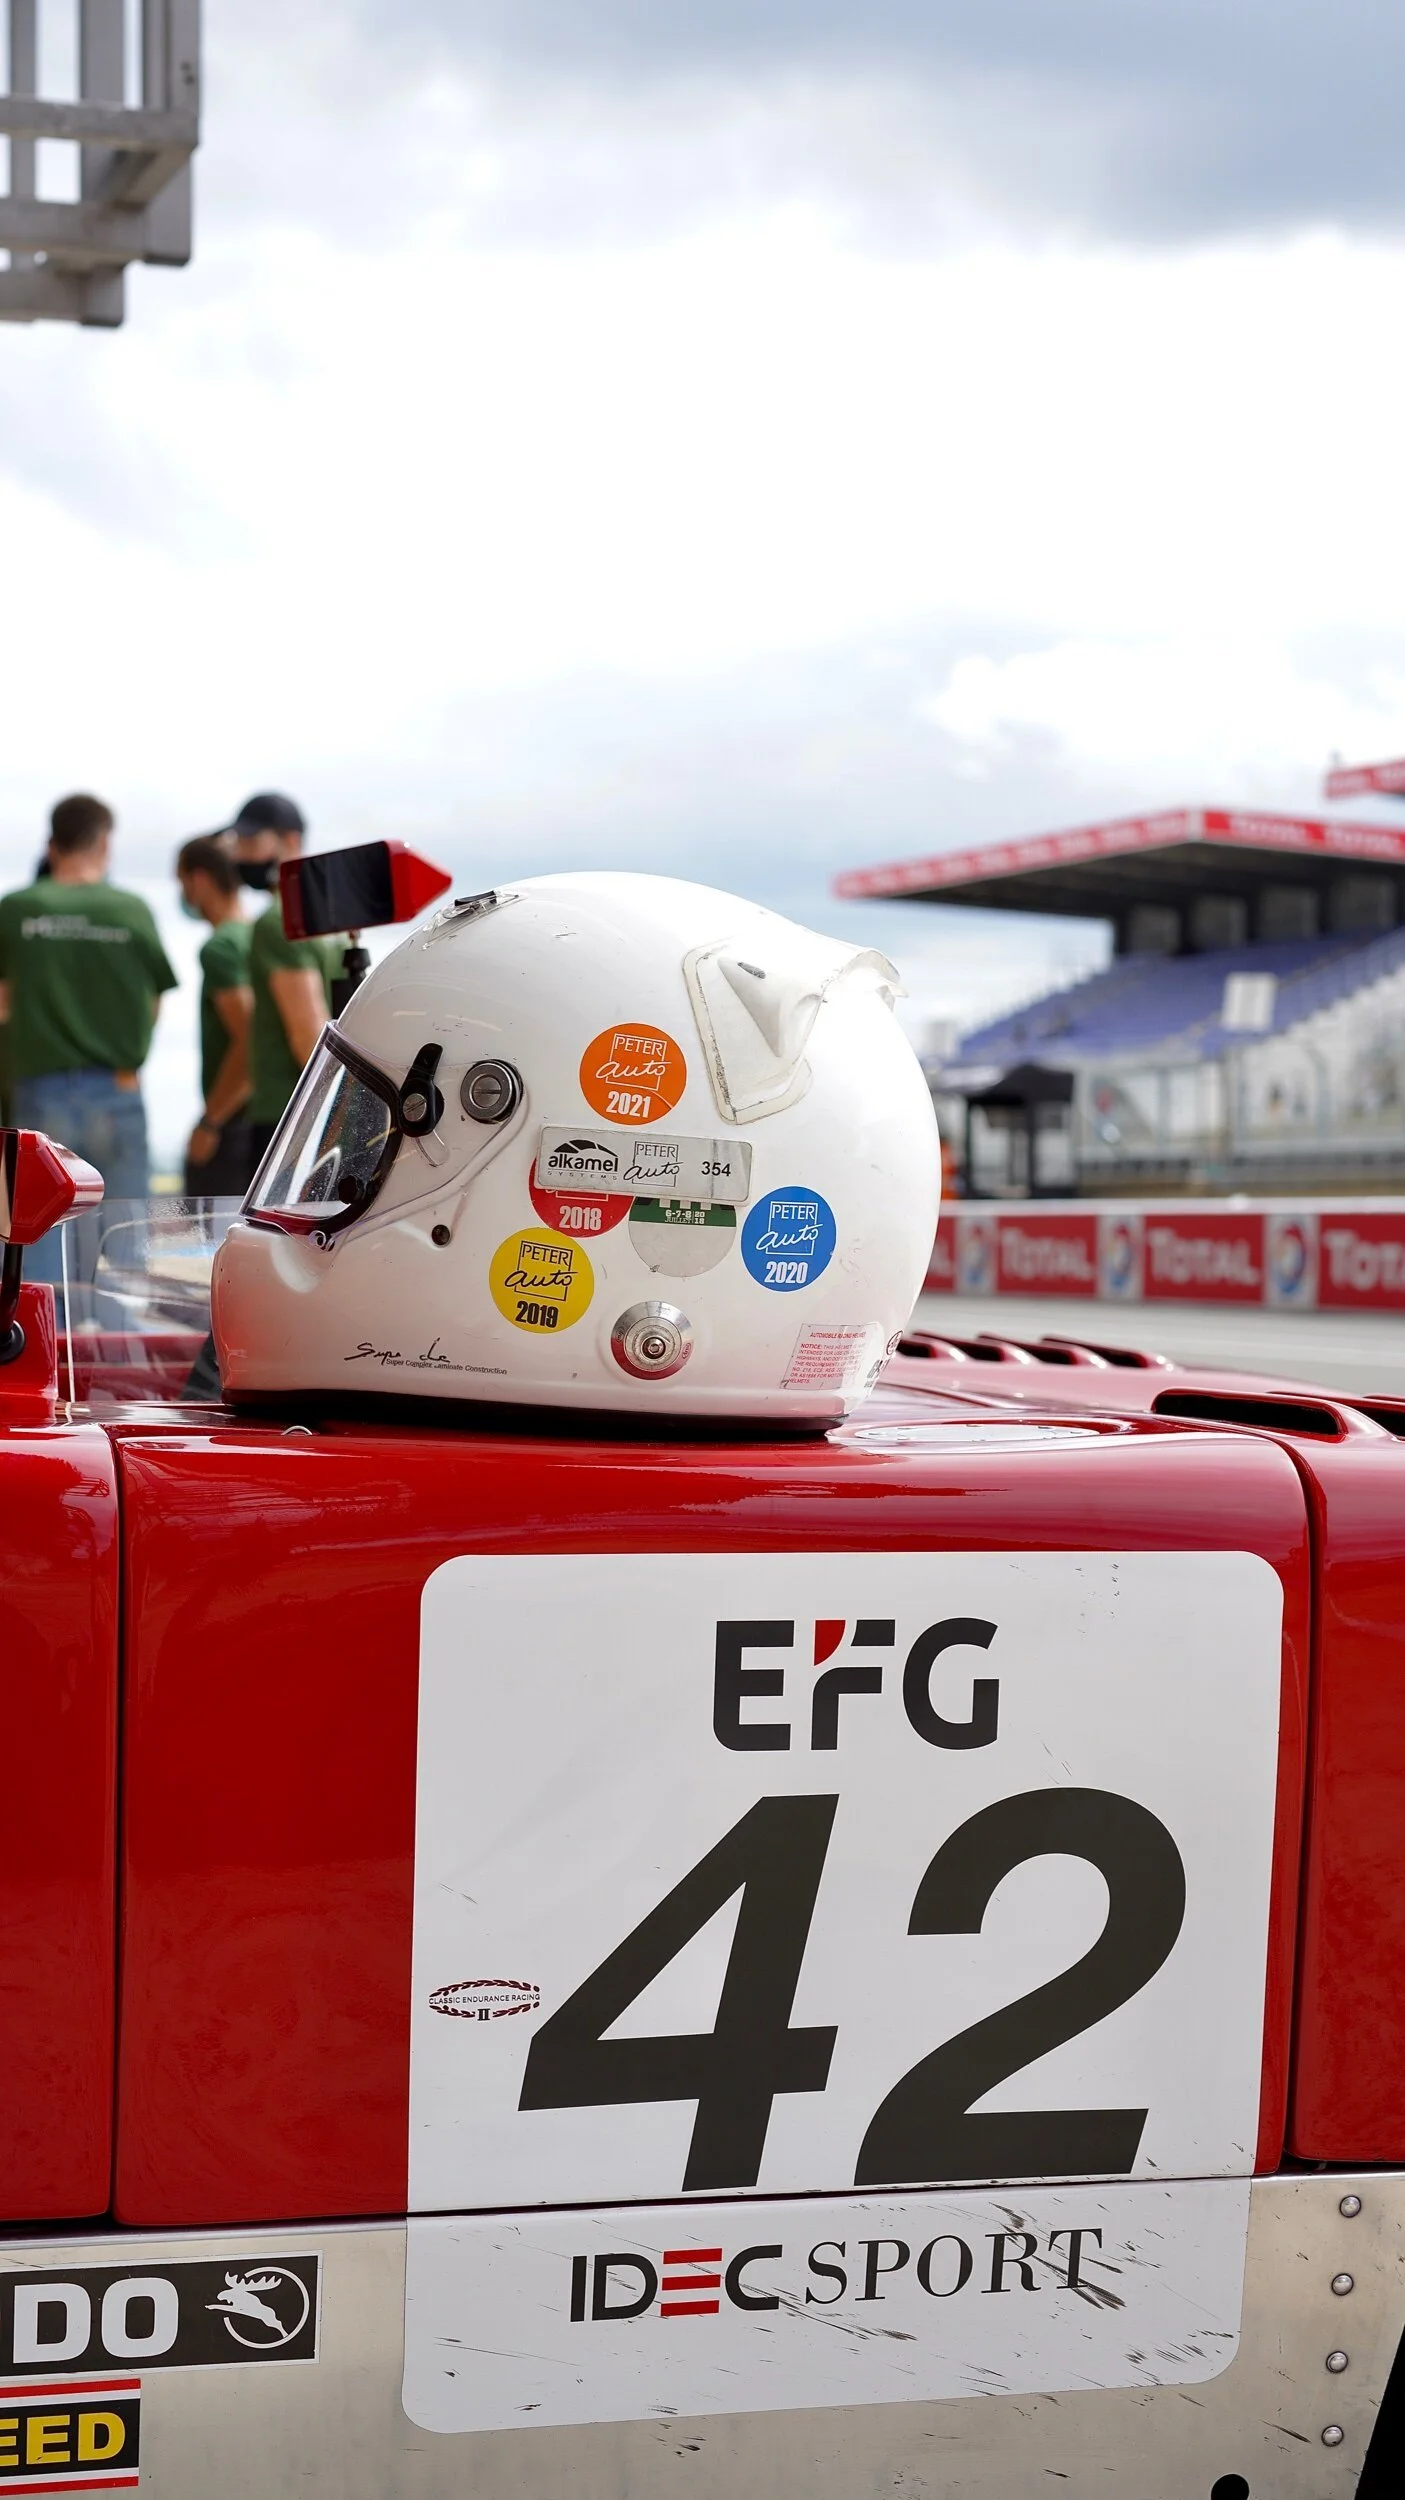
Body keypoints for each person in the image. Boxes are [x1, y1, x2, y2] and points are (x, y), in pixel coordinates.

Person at [0, 794, 177, 1272]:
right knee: (122, 1244)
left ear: (51, 844)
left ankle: (46, 1321)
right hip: (118, 1088)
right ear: (105, 843)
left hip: (40, 1091)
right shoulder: (131, 909)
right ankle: (115, 1321)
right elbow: (153, 999)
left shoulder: (17, 909)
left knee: (35, 1238)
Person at [195, 792, 339, 1169]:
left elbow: (308, 1035)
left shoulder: (278, 921)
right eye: (238, 843)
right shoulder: (332, 920)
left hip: (287, 1116)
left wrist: (335, 1120)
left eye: (251, 841)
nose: (240, 855)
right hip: (317, 1115)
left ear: (290, 840)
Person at [175, 836, 255, 1195]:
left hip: (235, 1123)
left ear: (200, 879)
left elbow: (249, 1041)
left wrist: (210, 1123)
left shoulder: (222, 946)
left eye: (182, 882)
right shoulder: (260, 937)